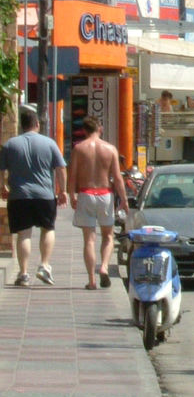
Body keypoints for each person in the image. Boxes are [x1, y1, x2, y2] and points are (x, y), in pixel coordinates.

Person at [0, 107, 67, 287]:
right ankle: (44, 265)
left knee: (24, 234)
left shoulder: (10, 145)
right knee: (48, 228)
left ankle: (23, 273)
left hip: (19, 195)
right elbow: (61, 168)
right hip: (45, 195)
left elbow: (1, 169)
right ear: (37, 124)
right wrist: (63, 191)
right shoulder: (49, 143)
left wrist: (3, 186)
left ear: (22, 126)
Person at [68, 116, 129, 290]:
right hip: (105, 194)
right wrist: (124, 200)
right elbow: (117, 178)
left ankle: (91, 280)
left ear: (84, 131)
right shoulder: (110, 149)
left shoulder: (79, 149)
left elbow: (72, 176)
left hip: (86, 193)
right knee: (108, 236)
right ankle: (103, 267)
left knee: (89, 239)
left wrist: (72, 195)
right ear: (99, 129)